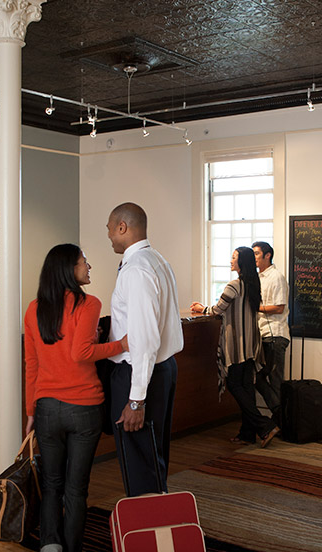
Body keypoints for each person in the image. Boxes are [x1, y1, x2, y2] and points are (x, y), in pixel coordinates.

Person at [23, 244, 128, 552]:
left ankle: (50, 545)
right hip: (83, 407)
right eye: (84, 262)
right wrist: (121, 344)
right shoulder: (88, 303)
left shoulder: (34, 308)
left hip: (46, 408)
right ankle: (72, 547)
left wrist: (31, 409)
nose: (89, 266)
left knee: (52, 484)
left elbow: (32, 364)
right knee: (75, 488)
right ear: (70, 269)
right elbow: (81, 353)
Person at [106, 202, 184, 496]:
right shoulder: (157, 260)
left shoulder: (137, 269)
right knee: (152, 455)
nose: (110, 236)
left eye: (110, 229)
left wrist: (136, 400)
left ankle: (150, 532)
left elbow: (144, 338)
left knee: (139, 460)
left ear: (122, 227)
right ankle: (159, 522)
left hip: (140, 374)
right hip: (161, 369)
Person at [190, 247, 280, 448]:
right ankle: (248, 434)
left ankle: (264, 426)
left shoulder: (234, 285)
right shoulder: (252, 284)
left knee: (233, 384)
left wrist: (200, 308)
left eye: (234, 258)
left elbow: (216, 310)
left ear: (242, 262)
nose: (231, 261)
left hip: (237, 345)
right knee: (246, 387)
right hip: (250, 345)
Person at [252, 241, 290, 424]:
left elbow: (279, 307)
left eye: (257, 254)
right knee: (256, 377)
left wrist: (254, 307)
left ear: (268, 255)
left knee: (275, 380)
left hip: (275, 335)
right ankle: (280, 419)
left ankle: (281, 422)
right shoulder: (258, 278)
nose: (254, 258)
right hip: (262, 336)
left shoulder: (276, 277)